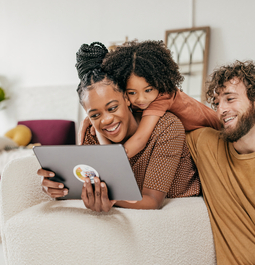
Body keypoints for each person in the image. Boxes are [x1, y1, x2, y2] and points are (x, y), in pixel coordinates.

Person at [38, 42, 201, 212]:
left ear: (126, 98)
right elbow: (86, 184)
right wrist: (60, 188)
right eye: (95, 115)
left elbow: (152, 201)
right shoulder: (92, 134)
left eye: (112, 108)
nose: (106, 120)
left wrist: (108, 197)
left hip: (179, 214)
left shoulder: (166, 127)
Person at [88, 40, 219, 158]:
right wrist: (92, 120)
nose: (141, 99)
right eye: (132, 92)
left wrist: (107, 161)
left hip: (218, 129)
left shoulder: (163, 96)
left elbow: (140, 141)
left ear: (159, 83)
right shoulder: (143, 99)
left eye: (148, 90)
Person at [186, 60, 255, 264]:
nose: (221, 110)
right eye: (216, 103)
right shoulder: (208, 144)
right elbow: (169, 103)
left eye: (230, 99)